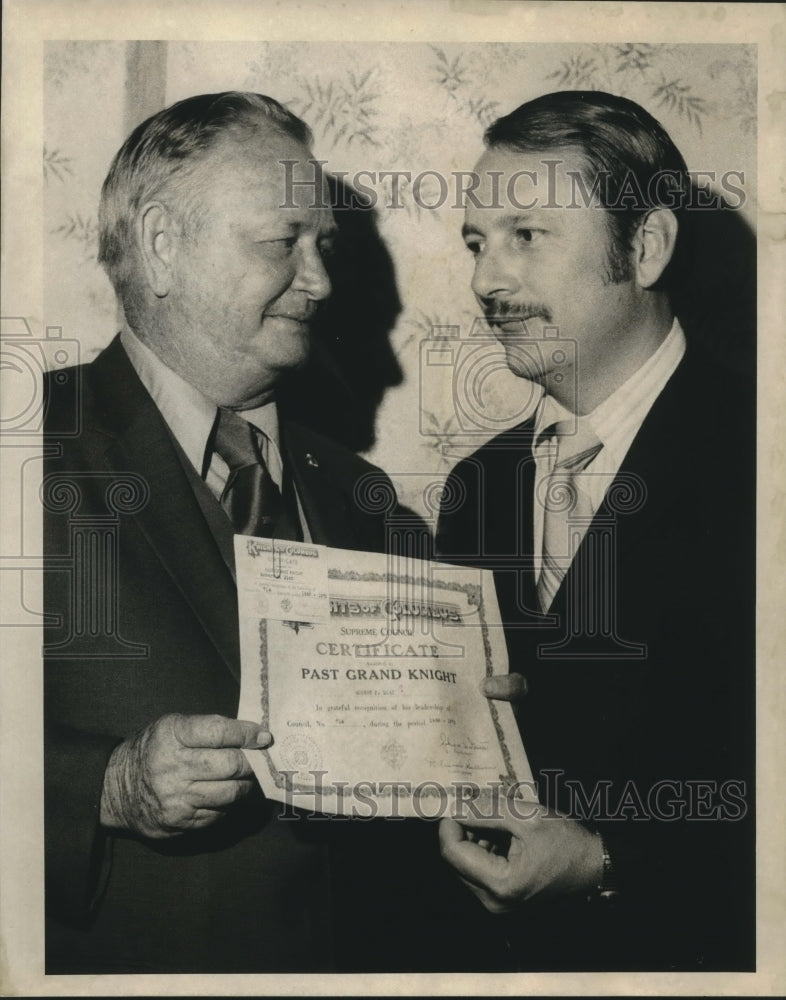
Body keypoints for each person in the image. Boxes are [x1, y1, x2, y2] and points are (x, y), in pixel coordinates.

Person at [43, 91, 436, 974]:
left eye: (323, 244)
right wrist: (106, 786)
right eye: (280, 242)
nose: (323, 281)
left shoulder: (363, 495)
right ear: (160, 246)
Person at [435, 90, 755, 970]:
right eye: (476, 244)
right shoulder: (476, 488)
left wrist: (613, 863)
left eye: (526, 236)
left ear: (645, 247)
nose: (486, 282)